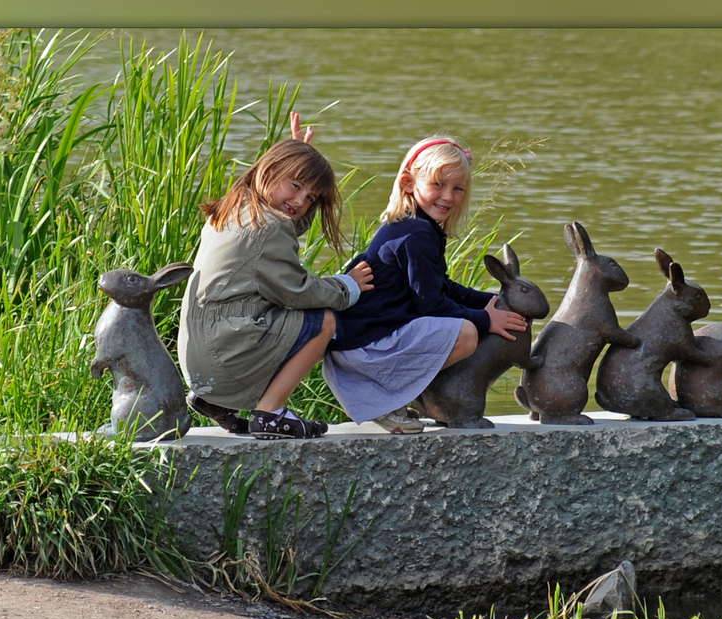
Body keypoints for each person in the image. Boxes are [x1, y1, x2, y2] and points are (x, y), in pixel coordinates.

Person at [178, 113, 373, 440]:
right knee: (324, 322)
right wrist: (347, 286)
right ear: (270, 170)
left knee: (276, 317)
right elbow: (296, 291)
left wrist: (293, 153)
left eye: (311, 197)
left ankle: (215, 401)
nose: (300, 201)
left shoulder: (237, 205)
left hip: (199, 359)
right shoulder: (270, 227)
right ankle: (269, 413)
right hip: (221, 356)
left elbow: (279, 225)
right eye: (295, 186)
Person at [323, 136, 526, 434]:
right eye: (438, 185)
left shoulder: (414, 225)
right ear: (408, 182)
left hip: (366, 340)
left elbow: (441, 286)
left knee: (463, 325)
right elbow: (432, 304)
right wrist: (485, 320)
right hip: (365, 349)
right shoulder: (416, 234)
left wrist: (490, 301)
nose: (448, 197)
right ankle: (386, 401)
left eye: (458, 189)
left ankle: (406, 397)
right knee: (466, 333)